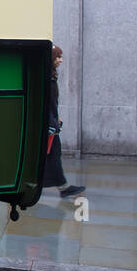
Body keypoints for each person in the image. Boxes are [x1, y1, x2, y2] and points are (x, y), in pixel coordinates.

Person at [44, 44, 85, 198]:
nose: (61, 60)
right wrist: (52, 122)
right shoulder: (48, 78)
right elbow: (45, 103)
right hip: (48, 125)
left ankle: (60, 186)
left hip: (50, 123)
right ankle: (63, 187)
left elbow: (51, 104)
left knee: (52, 153)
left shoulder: (51, 76)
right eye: (58, 57)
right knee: (53, 154)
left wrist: (56, 117)